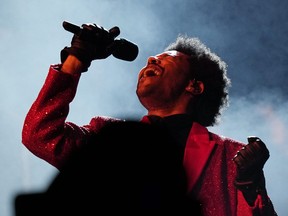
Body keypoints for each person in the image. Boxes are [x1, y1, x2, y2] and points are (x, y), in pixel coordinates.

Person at [20, 22, 277, 215]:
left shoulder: (232, 157)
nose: (151, 58)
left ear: (194, 86)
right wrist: (77, 59)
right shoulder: (108, 136)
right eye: (154, 57)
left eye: (167, 59)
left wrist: (250, 183)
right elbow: (40, 135)